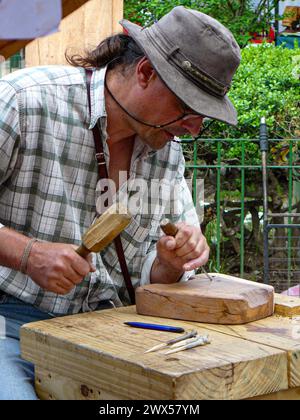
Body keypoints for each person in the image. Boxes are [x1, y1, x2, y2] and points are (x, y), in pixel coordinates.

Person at [0, 6, 240, 399]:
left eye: (204, 116)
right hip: (11, 323)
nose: (194, 127)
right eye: (188, 107)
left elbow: (153, 274)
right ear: (145, 72)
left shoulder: (167, 149)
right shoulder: (25, 101)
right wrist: (28, 254)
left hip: (116, 329)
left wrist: (168, 263)